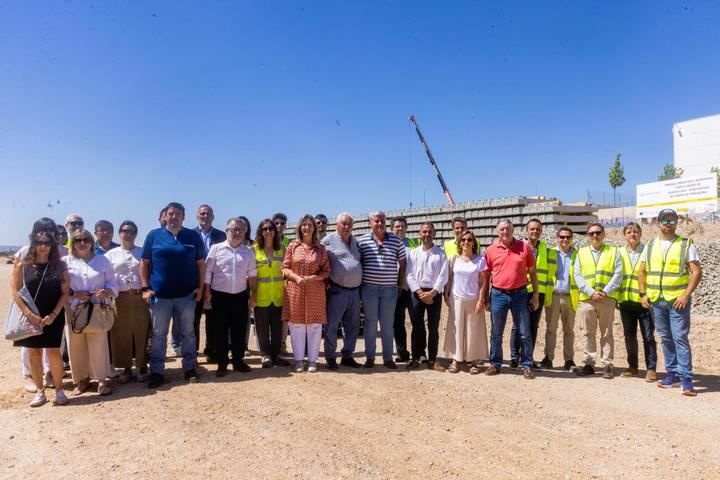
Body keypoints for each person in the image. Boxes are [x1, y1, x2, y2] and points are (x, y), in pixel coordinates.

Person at [141, 202, 206, 388]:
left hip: (186, 296)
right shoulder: (154, 236)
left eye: (178, 214)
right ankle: (157, 372)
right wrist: (146, 288)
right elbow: (144, 263)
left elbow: (201, 263)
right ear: (165, 216)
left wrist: (200, 287)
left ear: (183, 217)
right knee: (159, 334)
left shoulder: (192, 236)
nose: (174, 217)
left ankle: (190, 368)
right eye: (171, 214)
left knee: (188, 333)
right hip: (160, 296)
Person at [638, 208, 702, 396]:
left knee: (680, 338)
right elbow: (641, 272)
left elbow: (696, 273)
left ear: (676, 222)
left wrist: (685, 295)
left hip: (677, 302)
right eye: (664, 220)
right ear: (658, 223)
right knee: (666, 338)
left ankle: (686, 379)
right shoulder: (650, 245)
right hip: (657, 301)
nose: (668, 223)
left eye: (671, 220)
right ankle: (671, 374)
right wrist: (643, 293)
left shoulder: (685, 244)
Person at [11, 230, 70, 407]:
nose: (43, 246)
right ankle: (40, 392)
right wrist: (30, 315)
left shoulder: (60, 266)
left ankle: (59, 390)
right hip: (30, 315)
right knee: (34, 353)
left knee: (54, 353)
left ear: (52, 245)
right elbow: (15, 292)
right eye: (39, 242)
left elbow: (65, 293)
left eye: (46, 243)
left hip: (53, 315)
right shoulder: (22, 265)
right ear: (33, 244)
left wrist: (53, 314)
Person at [479, 219, 539, 379]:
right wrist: (485, 297)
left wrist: (535, 295)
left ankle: (526, 365)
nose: (505, 232)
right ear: (497, 232)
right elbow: (486, 277)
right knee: (496, 332)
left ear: (513, 230)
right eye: (502, 230)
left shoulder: (524, 247)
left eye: (508, 229)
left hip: (520, 294)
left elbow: (532, 273)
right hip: (498, 295)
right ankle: (495, 363)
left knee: (525, 332)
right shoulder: (491, 250)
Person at [64, 230, 118, 396]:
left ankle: (101, 380)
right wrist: (74, 294)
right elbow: (61, 287)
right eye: (78, 240)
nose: (82, 242)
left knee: (99, 343)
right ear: (73, 243)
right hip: (74, 308)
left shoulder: (102, 260)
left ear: (91, 241)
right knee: (75, 345)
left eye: (86, 239)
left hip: (96, 308)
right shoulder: (65, 261)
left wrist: (108, 291)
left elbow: (112, 282)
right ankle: (82, 380)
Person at [204, 218, 257, 377]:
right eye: (234, 229)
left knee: (239, 330)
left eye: (241, 230)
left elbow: (252, 275)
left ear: (245, 232)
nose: (237, 233)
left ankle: (238, 361)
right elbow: (208, 272)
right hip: (219, 296)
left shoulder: (248, 252)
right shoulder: (216, 249)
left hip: (240, 297)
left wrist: (253, 295)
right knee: (219, 331)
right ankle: (222, 362)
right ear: (227, 231)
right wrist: (207, 292)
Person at [281, 215, 330, 373]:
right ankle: (298, 360)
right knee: (296, 326)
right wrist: (296, 278)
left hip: (315, 290)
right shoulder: (292, 246)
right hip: (295, 290)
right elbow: (285, 267)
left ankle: (313, 361)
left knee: (315, 326)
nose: (307, 228)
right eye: (304, 225)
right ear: (299, 228)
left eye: (310, 225)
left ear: (314, 228)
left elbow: (326, 270)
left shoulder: (320, 248)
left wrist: (313, 278)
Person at [573, 222, 622, 379]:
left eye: (598, 232)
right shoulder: (581, 253)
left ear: (604, 234)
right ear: (587, 236)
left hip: (607, 298)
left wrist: (605, 292)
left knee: (606, 333)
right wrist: (591, 292)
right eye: (591, 233)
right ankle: (589, 363)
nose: (595, 235)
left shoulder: (613, 252)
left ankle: (607, 365)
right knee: (588, 332)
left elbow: (618, 274)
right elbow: (578, 275)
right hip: (587, 299)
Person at [358, 211, 406, 369]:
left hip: (389, 289)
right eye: (376, 221)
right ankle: (370, 357)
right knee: (370, 324)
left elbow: (402, 264)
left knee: (387, 324)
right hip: (369, 289)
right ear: (370, 223)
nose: (380, 224)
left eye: (382, 221)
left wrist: (399, 285)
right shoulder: (363, 241)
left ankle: (387, 358)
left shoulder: (396, 240)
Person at [105, 221, 150, 383]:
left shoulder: (142, 252)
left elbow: (149, 271)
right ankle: (125, 367)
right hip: (120, 297)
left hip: (140, 297)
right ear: (119, 233)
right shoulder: (110, 255)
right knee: (121, 333)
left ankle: (141, 365)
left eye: (131, 231)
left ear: (136, 234)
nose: (128, 234)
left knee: (141, 331)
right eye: (124, 231)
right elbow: (106, 276)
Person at [442, 230, 488, 374]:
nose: (466, 242)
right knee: (456, 330)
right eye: (463, 240)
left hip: (473, 299)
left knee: (473, 331)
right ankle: (455, 359)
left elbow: (484, 282)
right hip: (456, 299)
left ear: (473, 243)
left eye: (469, 240)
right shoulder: (454, 259)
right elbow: (449, 279)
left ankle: (473, 360)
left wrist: (481, 301)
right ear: (459, 242)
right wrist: (446, 294)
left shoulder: (480, 260)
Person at [321, 212, 363, 369]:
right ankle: (330, 357)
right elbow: (320, 263)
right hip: (337, 291)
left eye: (349, 224)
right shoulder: (327, 241)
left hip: (354, 292)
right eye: (343, 224)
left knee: (352, 327)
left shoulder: (355, 242)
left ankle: (347, 356)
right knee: (332, 325)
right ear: (337, 225)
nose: (346, 227)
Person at [405, 222, 448, 371]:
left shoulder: (441, 253)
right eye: (424, 232)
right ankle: (415, 358)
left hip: (434, 294)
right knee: (416, 327)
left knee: (433, 328)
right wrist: (419, 292)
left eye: (429, 232)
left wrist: (433, 292)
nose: (427, 234)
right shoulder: (413, 253)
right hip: (417, 294)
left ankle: (432, 360)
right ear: (419, 233)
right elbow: (409, 274)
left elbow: (443, 275)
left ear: (434, 233)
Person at [618, 222, 657, 381]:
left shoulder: (648, 251)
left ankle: (651, 369)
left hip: (644, 301)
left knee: (648, 335)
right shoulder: (619, 252)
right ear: (624, 235)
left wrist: (648, 295)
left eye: (635, 232)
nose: (632, 234)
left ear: (640, 234)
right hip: (625, 301)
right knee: (629, 335)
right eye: (629, 232)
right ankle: (632, 366)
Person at [510, 219, 550, 369]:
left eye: (538, 229)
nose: (535, 231)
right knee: (517, 325)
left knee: (533, 325)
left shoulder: (545, 247)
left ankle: (528, 358)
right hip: (521, 290)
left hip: (538, 291)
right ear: (526, 230)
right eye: (532, 229)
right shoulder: (518, 246)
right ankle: (514, 357)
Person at [192, 204, 227, 362]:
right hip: (194, 283)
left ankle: (211, 349)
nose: (205, 216)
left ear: (213, 217)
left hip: (215, 283)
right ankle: (192, 352)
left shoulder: (221, 236)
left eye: (208, 214)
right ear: (197, 216)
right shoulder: (189, 235)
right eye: (202, 214)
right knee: (193, 319)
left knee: (213, 319)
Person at [540, 227, 578, 371]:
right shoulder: (550, 253)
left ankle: (569, 360)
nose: (565, 240)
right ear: (557, 238)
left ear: (571, 239)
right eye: (562, 237)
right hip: (554, 295)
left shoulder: (576, 255)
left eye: (568, 237)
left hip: (569, 297)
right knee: (551, 329)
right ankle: (548, 358)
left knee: (569, 330)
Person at [253, 219, 289, 367]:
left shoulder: (282, 249)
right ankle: (265, 355)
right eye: (265, 229)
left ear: (275, 231)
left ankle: (277, 355)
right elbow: (251, 275)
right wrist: (252, 295)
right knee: (261, 329)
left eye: (271, 229)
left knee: (277, 329)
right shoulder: (253, 250)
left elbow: (287, 270)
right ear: (261, 231)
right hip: (261, 296)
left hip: (278, 296)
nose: (268, 232)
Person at [391, 216, 417, 363]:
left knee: (416, 321)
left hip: (412, 288)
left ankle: (418, 353)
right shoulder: (389, 244)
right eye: (397, 227)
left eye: (402, 226)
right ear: (392, 229)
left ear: (406, 228)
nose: (400, 229)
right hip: (396, 289)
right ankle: (402, 353)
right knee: (398, 322)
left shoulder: (414, 243)